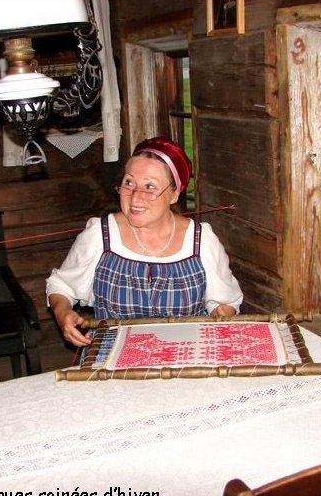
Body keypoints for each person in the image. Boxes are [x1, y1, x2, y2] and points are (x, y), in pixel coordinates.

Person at [46, 136, 243, 348]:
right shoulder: (100, 236)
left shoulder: (201, 241)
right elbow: (62, 286)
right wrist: (62, 312)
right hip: (114, 359)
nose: (135, 197)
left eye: (150, 186)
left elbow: (226, 301)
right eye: (129, 183)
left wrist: (223, 311)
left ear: (174, 193)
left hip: (186, 355)